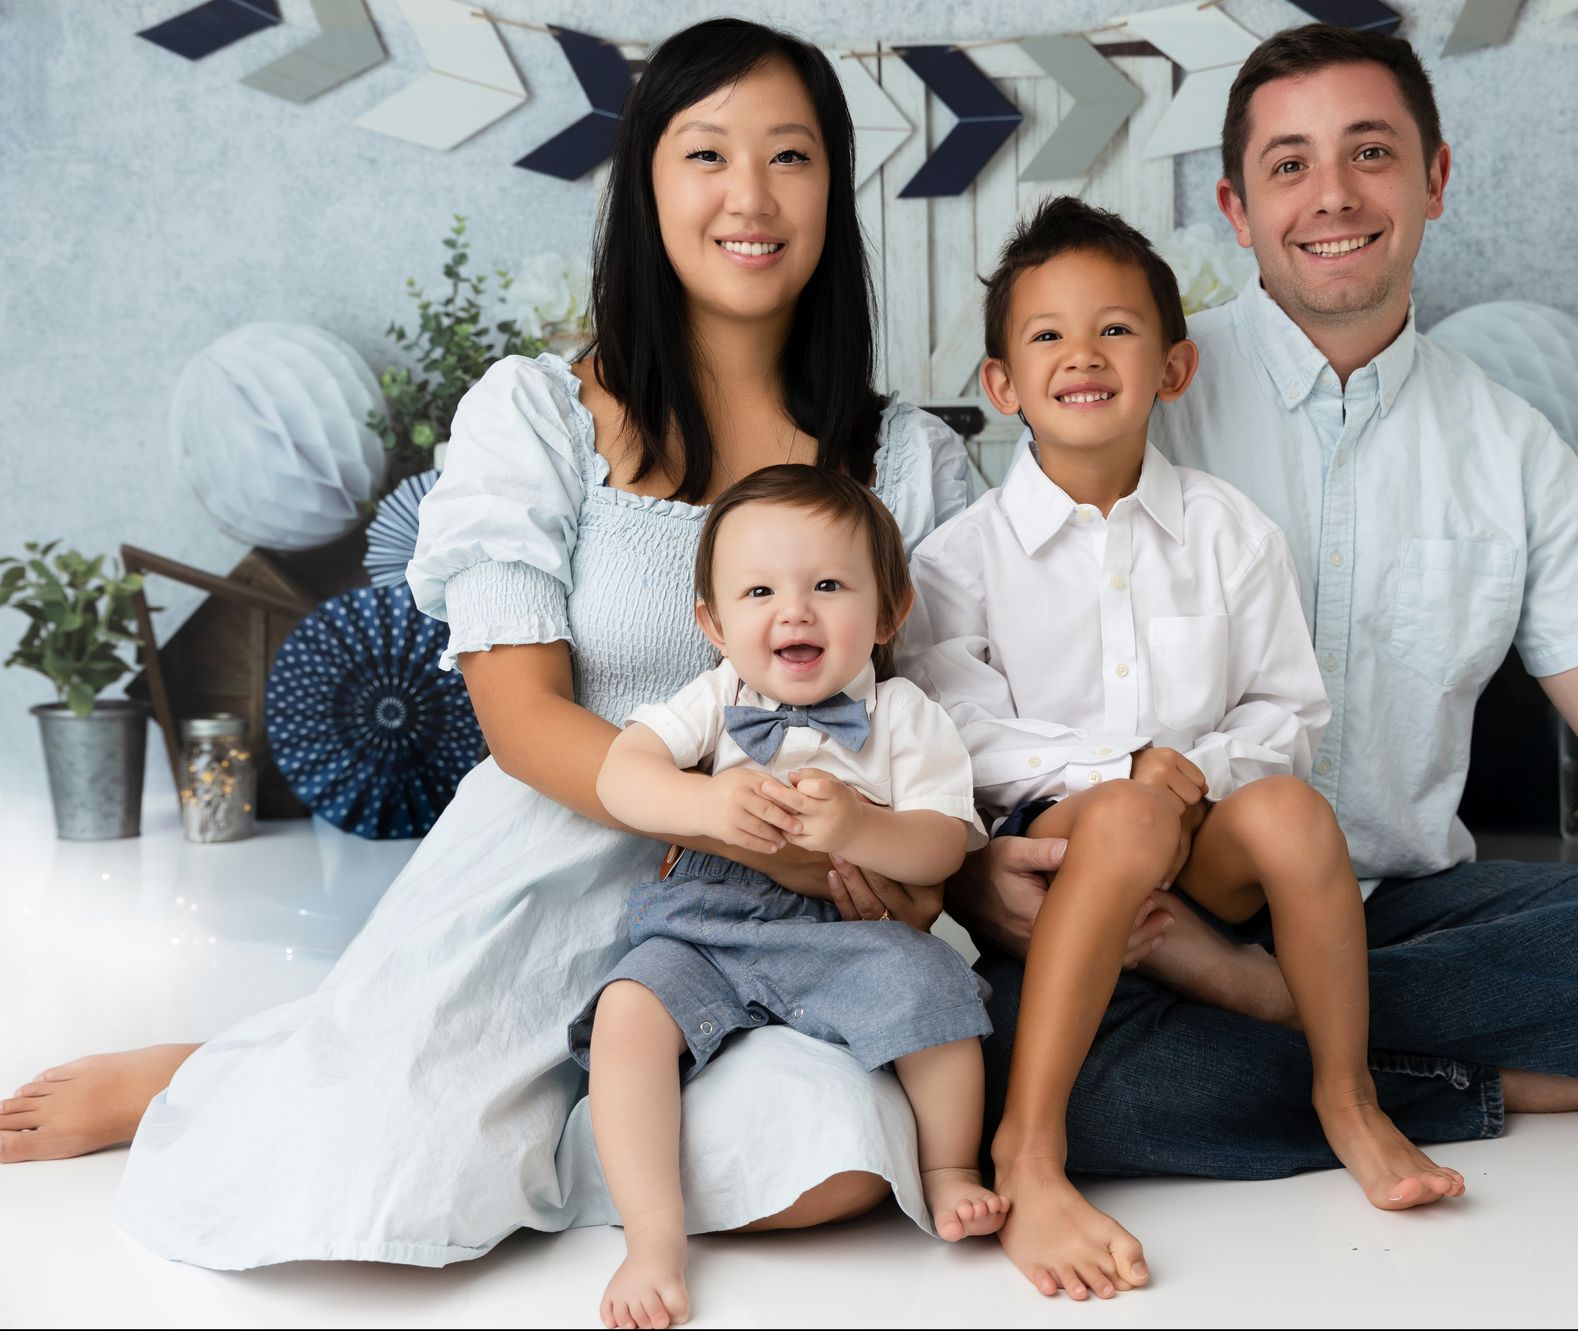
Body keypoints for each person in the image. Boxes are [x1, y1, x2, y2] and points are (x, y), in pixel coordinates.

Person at [2, 18, 983, 1267]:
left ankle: (545, 1120)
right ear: (645, 183)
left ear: (834, 189)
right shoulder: (539, 414)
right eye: (706, 155)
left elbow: (945, 729)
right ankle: (248, 1068)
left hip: (793, 903)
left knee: (833, 1164)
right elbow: (521, 719)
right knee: (370, 1174)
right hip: (567, 848)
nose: (751, 196)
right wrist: (713, 808)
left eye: (790, 157)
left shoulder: (907, 460)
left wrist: (894, 863)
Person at [947, 23, 1578, 1284]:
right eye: (1289, 165)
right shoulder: (1136, 375)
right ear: (1235, 206)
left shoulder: (1512, 451)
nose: (1332, 195)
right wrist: (979, 875)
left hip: (1400, 911)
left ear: (1435, 179)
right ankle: (1494, 1079)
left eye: (1370, 153)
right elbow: (970, 674)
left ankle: (1325, 1040)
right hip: (1152, 907)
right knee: (1045, 1061)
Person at [902, 197, 1464, 1299]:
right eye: (1047, 335)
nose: (1083, 355)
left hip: (1203, 843)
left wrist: (1193, 771)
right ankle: (1030, 1144)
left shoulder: (1228, 531)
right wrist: (1125, 770)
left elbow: (1286, 707)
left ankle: (1346, 1094)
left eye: (1116, 329)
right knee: (1128, 812)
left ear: (1173, 368)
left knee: (1296, 814)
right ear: (1002, 385)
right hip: (1060, 858)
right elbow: (958, 731)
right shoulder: (957, 559)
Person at [580, 467, 1007, 1327]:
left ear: (888, 611)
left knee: (938, 993)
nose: (795, 610)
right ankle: (653, 1236)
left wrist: (858, 826)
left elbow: (942, 844)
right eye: (760, 590)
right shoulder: (717, 696)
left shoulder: (904, 714)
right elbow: (621, 773)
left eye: (828, 585)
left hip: (847, 928)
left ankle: (950, 1168)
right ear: (713, 622)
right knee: (628, 1007)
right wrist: (701, 802)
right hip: (710, 919)